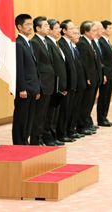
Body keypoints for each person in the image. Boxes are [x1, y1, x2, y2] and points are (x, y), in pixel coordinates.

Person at [13, 14, 41, 145]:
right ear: (19, 27)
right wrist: (21, 88)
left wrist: (37, 89)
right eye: (27, 25)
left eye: (31, 24)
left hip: (32, 88)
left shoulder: (28, 43)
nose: (30, 27)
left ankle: (25, 140)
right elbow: (19, 69)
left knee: (29, 118)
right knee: (21, 118)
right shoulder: (18, 44)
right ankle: (19, 142)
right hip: (24, 89)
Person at [29, 16, 55, 146]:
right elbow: (36, 65)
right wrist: (38, 85)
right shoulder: (34, 42)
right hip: (42, 84)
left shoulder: (45, 42)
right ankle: (35, 139)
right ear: (37, 28)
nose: (48, 28)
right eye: (45, 26)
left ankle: (41, 138)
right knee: (38, 115)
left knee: (44, 114)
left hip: (49, 83)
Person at [44, 19, 67, 146]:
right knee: (50, 114)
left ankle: (52, 135)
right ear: (50, 30)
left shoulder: (55, 43)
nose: (59, 31)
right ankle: (48, 137)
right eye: (57, 28)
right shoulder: (48, 43)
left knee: (54, 114)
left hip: (59, 84)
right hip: (53, 84)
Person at [77, 21, 101, 133]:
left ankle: (87, 122)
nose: (96, 33)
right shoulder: (82, 43)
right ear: (86, 31)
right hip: (89, 78)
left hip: (94, 77)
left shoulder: (90, 42)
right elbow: (84, 63)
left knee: (90, 102)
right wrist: (87, 77)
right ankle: (82, 125)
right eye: (93, 31)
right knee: (85, 103)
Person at [57, 20, 78, 142]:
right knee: (64, 110)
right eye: (71, 29)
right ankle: (61, 133)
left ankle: (66, 131)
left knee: (69, 110)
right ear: (64, 31)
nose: (74, 31)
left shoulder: (70, 44)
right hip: (66, 84)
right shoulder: (61, 44)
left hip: (72, 83)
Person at [97, 20, 112, 127]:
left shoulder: (107, 41)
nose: (111, 30)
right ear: (104, 29)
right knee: (103, 97)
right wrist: (104, 73)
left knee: (107, 96)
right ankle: (101, 118)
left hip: (111, 73)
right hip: (106, 73)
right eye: (109, 28)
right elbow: (101, 60)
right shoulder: (100, 41)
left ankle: (104, 117)